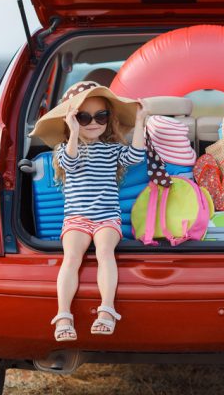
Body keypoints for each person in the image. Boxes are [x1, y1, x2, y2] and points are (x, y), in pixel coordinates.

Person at [30, 81, 147, 341]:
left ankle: (106, 310)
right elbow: (70, 163)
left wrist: (140, 122)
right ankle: (63, 315)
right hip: (77, 218)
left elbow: (136, 156)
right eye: (83, 117)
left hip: (107, 217)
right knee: (71, 257)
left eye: (101, 116)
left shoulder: (111, 150)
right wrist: (73, 132)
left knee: (106, 252)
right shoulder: (63, 149)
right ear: (72, 120)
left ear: (109, 118)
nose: (93, 122)